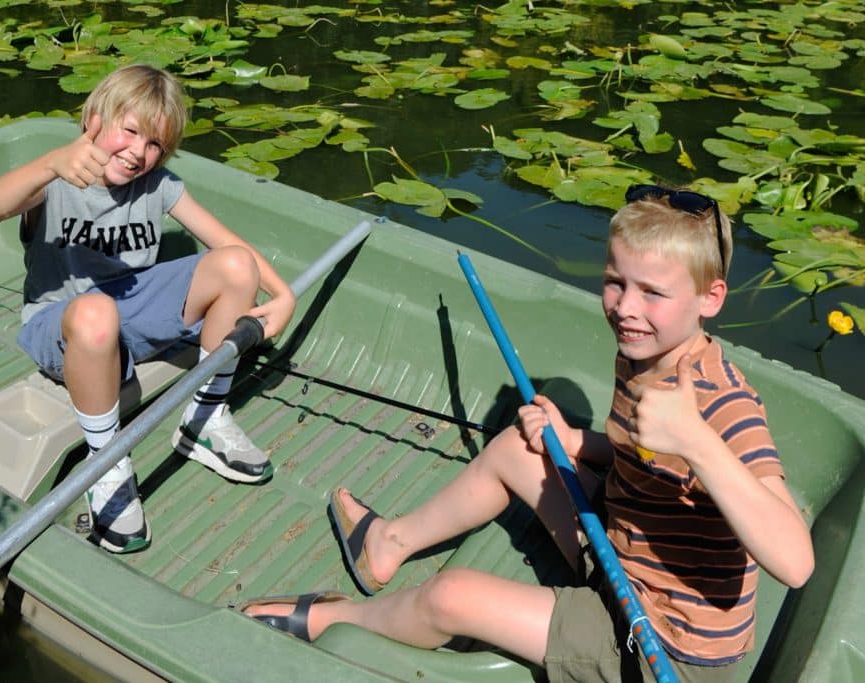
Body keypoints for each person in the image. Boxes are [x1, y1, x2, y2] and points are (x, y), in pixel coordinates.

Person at [240, 185, 814, 680]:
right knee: (523, 444)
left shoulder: (725, 407)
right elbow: (643, 459)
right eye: (617, 282)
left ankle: (333, 619)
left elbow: (794, 561)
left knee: (451, 595)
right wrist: (574, 443)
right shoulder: (645, 352)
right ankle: (387, 545)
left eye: (653, 293)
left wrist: (694, 438)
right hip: (622, 552)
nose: (625, 308)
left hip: (656, 642)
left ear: (710, 299)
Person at [0, 64, 295, 554]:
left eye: (155, 145)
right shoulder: (60, 175)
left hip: (132, 308)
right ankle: (107, 462)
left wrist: (283, 296)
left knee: (235, 266)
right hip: (63, 323)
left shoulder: (159, 185)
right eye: (130, 132)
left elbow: (228, 244)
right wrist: (49, 165)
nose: (139, 154)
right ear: (95, 119)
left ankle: (204, 420)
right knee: (93, 313)